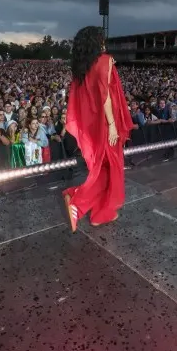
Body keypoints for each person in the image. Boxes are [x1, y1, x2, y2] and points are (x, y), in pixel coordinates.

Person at [62, 26, 133, 232]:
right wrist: (112, 126)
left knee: (102, 167)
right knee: (111, 167)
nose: (104, 42)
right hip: (105, 123)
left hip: (91, 125)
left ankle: (99, 213)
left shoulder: (81, 67)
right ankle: (79, 202)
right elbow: (105, 96)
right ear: (96, 41)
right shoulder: (104, 60)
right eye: (102, 38)